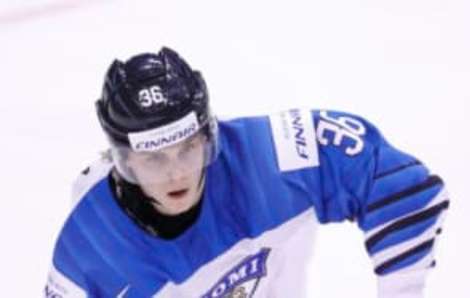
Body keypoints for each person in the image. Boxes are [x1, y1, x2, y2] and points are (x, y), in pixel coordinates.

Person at [45, 47, 449, 298]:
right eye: (154, 159)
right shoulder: (88, 244)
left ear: (207, 137)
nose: (177, 173)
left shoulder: (269, 157)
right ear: (124, 161)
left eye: (188, 148)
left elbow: (402, 186)